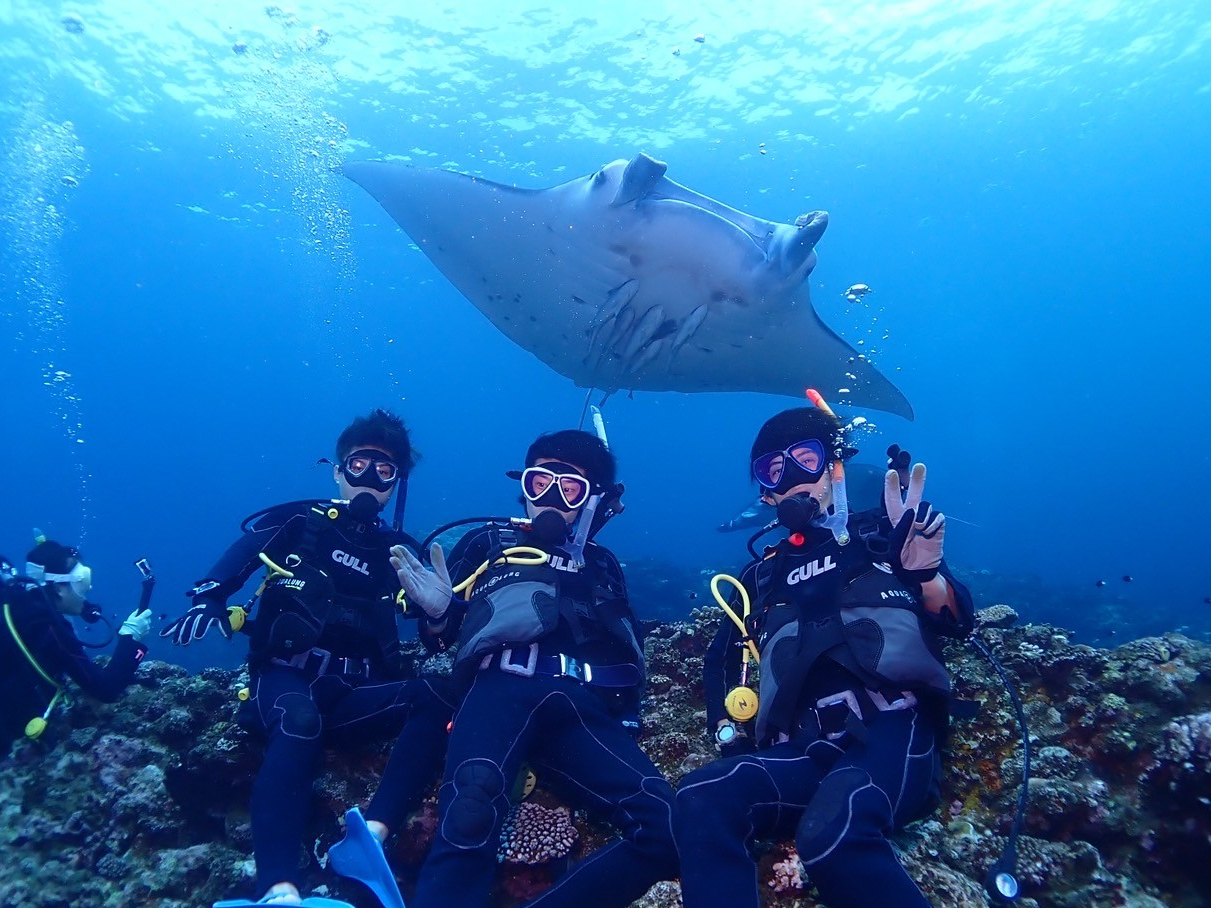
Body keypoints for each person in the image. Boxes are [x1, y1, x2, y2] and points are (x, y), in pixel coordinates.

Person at [336, 428, 677, 908]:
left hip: (581, 706)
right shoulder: (487, 541)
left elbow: (619, 648)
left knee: (666, 824)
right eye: (540, 482)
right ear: (524, 486)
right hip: (499, 688)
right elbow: (441, 638)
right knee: (470, 810)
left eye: (570, 487)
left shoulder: (602, 563)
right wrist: (437, 613)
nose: (551, 498)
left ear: (594, 501)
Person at [674, 399, 975, 908]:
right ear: (766, 495)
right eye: (773, 470)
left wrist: (924, 574)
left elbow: (957, 622)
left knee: (833, 834)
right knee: (700, 797)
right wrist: (728, 736)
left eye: (805, 460)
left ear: (835, 466)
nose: (792, 478)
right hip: (801, 747)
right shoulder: (760, 578)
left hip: (891, 728)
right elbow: (721, 664)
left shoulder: (882, 540)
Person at [162, 409, 453, 908]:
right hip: (285, 681)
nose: (370, 478)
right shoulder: (299, 524)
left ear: (396, 484)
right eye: (360, 464)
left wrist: (439, 613)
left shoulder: (399, 551)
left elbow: (435, 642)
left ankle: (370, 840)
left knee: (438, 694)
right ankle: (278, 890)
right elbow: (237, 560)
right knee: (300, 721)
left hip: (353, 694)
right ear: (338, 470)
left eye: (386, 471)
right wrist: (208, 600)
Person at [0, 539, 151, 759]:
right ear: (58, 587)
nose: (88, 587)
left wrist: (83, 608)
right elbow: (105, 689)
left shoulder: (20, 600)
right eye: (82, 582)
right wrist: (131, 639)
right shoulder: (47, 626)